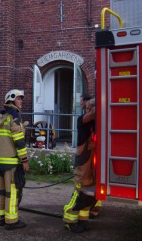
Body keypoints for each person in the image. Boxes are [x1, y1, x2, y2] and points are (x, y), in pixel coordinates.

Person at [0, 89, 29, 230]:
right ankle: (11, 221)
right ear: (12, 99)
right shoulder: (14, 116)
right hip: (12, 162)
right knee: (12, 192)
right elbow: (19, 141)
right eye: (19, 99)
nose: (21, 101)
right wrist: (25, 160)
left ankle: (0, 217)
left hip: (0, 161)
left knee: (1, 191)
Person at [63, 95, 97, 233]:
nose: (88, 111)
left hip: (90, 162)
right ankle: (69, 220)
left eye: (90, 108)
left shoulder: (95, 122)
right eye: (88, 108)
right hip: (83, 161)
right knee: (80, 193)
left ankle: (83, 220)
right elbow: (95, 113)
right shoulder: (81, 120)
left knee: (89, 194)